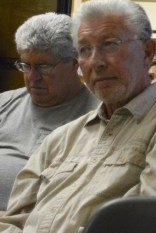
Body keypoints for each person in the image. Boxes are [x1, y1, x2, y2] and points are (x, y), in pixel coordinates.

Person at [0, 0, 156, 233]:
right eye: (84, 50)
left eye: (110, 44)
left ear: (147, 53)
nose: (95, 62)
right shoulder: (63, 138)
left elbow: (150, 232)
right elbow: (12, 222)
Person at [0, 13, 99, 212]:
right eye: (25, 65)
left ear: (75, 63)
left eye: (43, 67)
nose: (32, 77)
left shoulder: (100, 113)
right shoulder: (5, 104)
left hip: (49, 230)